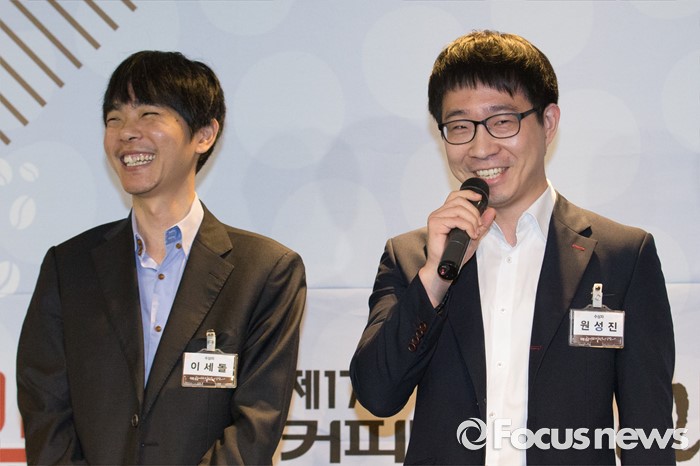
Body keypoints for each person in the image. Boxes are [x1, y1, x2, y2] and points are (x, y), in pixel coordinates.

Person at [350, 30, 675, 465]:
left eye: (502, 121)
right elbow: (377, 395)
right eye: (459, 127)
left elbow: (648, 432)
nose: (482, 148)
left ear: (548, 122)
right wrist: (434, 280)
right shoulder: (412, 257)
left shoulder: (621, 256)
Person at [17, 51, 306, 465]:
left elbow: (254, 428)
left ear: (204, 134)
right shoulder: (69, 268)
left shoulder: (265, 271)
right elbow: (45, 410)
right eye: (114, 118)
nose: (126, 133)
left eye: (149, 114)